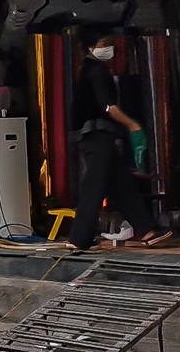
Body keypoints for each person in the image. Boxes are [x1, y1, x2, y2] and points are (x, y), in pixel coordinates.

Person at [69, 30, 174, 251]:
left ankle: (147, 231)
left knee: (122, 185)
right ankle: (79, 240)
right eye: (104, 42)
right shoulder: (96, 71)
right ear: (90, 47)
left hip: (99, 135)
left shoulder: (89, 70)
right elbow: (109, 107)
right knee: (94, 187)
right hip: (95, 135)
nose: (110, 48)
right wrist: (132, 124)